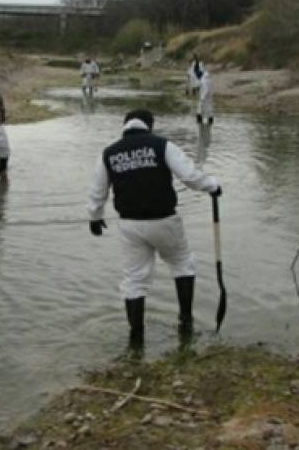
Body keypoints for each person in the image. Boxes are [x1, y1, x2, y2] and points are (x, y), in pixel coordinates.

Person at [86, 109, 222, 345]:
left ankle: (136, 338)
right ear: (150, 125)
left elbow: (97, 193)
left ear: (125, 126)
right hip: (164, 221)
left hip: (130, 226)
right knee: (182, 264)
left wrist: (95, 218)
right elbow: (190, 176)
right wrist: (213, 186)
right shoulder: (162, 145)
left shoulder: (108, 153)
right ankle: (186, 322)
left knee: (134, 281)